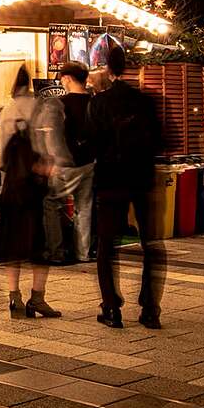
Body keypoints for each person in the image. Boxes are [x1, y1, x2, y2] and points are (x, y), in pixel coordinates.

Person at [89, 47, 165, 328]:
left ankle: (111, 307)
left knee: (107, 246)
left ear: (108, 70)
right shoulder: (146, 102)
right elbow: (160, 140)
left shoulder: (99, 103)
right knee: (151, 245)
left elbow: (92, 143)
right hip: (142, 178)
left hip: (109, 180)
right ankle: (150, 309)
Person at [0, 66, 63, 318]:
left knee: (13, 244)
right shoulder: (38, 110)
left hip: (11, 188)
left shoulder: (7, 111)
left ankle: (14, 298)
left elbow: (0, 157)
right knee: (38, 246)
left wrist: (4, 184)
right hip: (34, 190)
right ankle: (38, 298)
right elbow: (49, 150)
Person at [44, 62, 96, 263]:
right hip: (89, 162)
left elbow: (53, 135)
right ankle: (82, 253)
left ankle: (56, 251)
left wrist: (55, 160)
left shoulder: (59, 103)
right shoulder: (94, 102)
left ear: (67, 78)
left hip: (65, 163)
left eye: (62, 79)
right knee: (84, 208)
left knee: (51, 202)